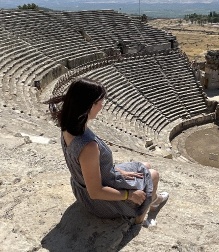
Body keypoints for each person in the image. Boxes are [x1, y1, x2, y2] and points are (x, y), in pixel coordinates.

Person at [45, 77, 168, 229]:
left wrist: (118, 171)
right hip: (98, 203)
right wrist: (129, 195)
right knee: (153, 174)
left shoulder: (68, 125)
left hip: (84, 186)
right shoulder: (88, 146)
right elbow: (96, 192)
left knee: (145, 166)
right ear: (88, 105)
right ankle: (140, 219)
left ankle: (153, 200)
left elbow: (89, 167)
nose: (102, 106)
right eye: (99, 102)